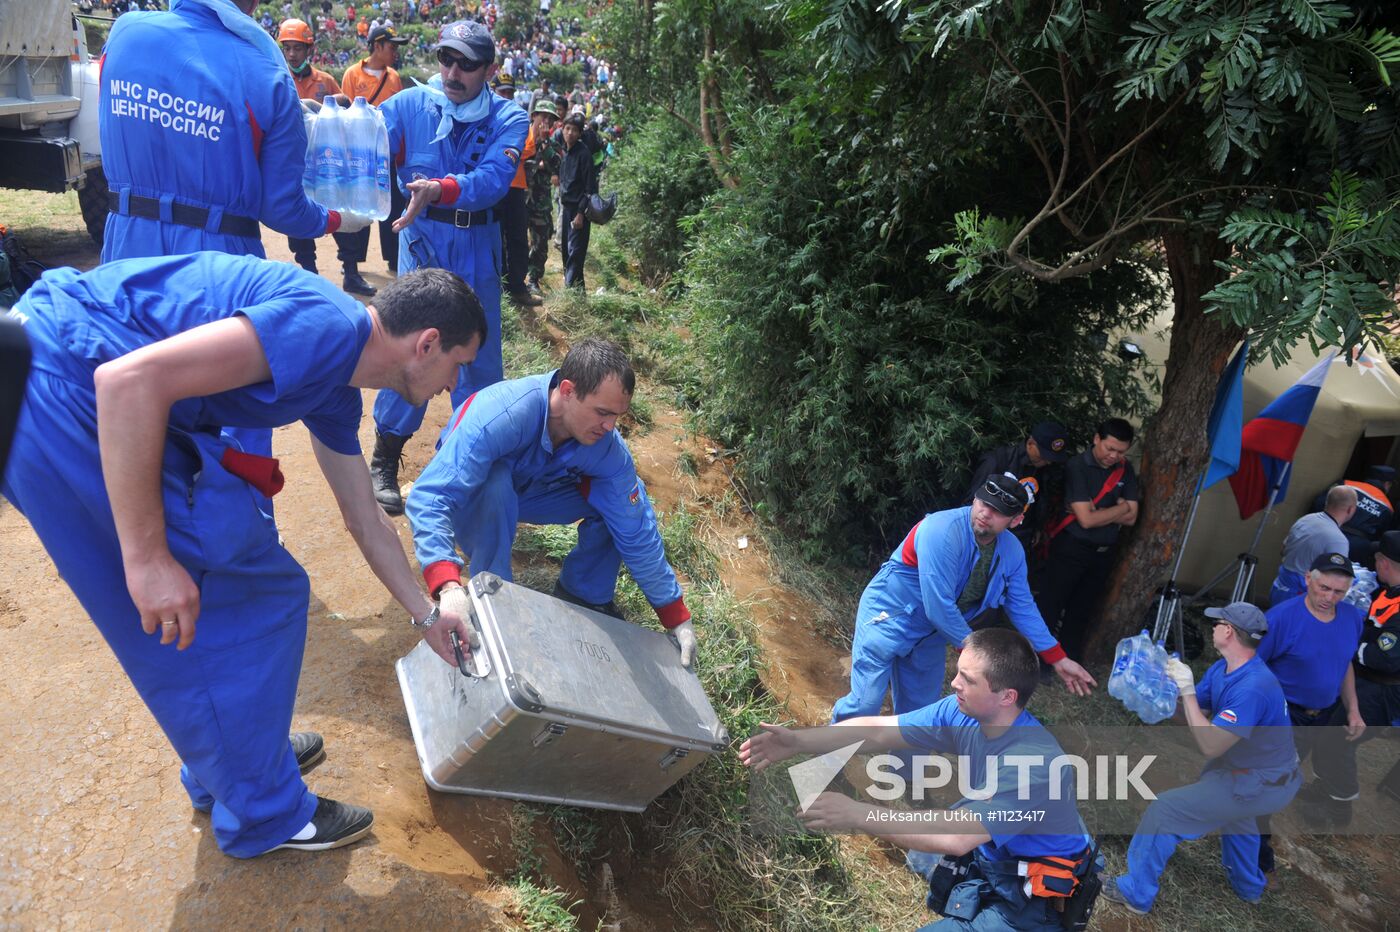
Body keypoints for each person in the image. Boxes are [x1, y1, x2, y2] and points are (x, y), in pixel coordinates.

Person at [1, 255, 484, 858]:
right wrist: (148, 558)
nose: (451, 387)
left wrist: (426, 616)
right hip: (62, 392)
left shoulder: (338, 382)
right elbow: (127, 382)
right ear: (427, 343)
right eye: (455, 367)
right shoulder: (326, 328)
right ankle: (263, 812)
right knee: (247, 599)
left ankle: (235, 765)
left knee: (254, 583)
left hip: (78, 379)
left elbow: (363, 515)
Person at [742, 629, 1098, 931]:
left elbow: (957, 837)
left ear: (1006, 697)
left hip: (1035, 890)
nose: (954, 683)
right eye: (959, 672)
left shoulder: (1033, 763)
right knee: (922, 853)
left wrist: (856, 814)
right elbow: (881, 732)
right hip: (999, 843)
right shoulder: (964, 711)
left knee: (945, 844)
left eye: (968, 680)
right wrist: (800, 740)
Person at [405, 338, 699, 665]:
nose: (610, 427)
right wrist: (447, 585)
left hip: (532, 490)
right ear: (568, 390)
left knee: (621, 502)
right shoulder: (501, 413)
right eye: (602, 413)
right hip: (476, 493)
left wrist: (675, 615)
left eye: (617, 416)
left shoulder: (605, 447)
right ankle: (492, 599)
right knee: (497, 482)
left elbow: (635, 528)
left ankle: (584, 596)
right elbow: (430, 497)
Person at [367, 19, 529, 516]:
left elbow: (494, 179)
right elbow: (367, 139)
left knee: (476, 363)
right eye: (446, 59)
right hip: (423, 246)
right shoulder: (408, 106)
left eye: (467, 64)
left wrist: (442, 188)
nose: (453, 72)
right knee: (413, 351)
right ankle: (385, 457)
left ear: (489, 69)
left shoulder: (509, 118)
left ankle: (462, 469)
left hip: (477, 247)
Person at [98, 0, 369, 263]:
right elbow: (282, 209)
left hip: (125, 249)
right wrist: (338, 219)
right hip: (219, 261)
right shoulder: (269, 77)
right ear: (253, 5)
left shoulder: (124, 34)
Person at [831, 474, 1097, 724]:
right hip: (889, 616)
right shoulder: (941, 530)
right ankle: (822, 764)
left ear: (1015, 520)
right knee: (865, 703)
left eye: (998, 512)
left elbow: (1022, 605)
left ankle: (905, 773)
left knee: (920, 714)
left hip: (931, 635)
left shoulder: (1012, 551)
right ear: (975, 499)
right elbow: (939, 605)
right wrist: (974, 650)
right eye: (983, 503)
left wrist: (1058, 657)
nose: (986, 513)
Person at [1101, 602, 1300, 914]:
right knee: (1239, 818)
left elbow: (1210, 744)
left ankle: (1135, 893)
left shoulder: (1253, 688)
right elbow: (1199, 716)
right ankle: (1250, 887)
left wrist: (1188, 690)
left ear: (1229, 631)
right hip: (1256, 774)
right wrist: (1156, 699)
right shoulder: (1225, 668)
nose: (1213, 626)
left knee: (1165, 811)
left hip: (1262, 781)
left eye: (1217, 622)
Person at [1253, 553, 1365, 861]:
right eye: (1324, 588)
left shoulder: (1352, 618)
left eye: (1338, 592)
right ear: (1307, 580)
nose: (1330, 597)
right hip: (1285, 714)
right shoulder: (1280, 618)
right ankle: (1259, 857)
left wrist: (1353, 708)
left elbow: (1344, 664)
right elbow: (1250, 668)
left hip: (1325, 715)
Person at [1309, 529, 1400, 820]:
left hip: (1383, 690)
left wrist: (1350, 644)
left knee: (1339, 740)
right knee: (1326, 733)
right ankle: (1325, 786)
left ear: (1385, 562)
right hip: (1365, 680)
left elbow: (1384, 658)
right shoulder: (1389, 591)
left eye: (1377, 557)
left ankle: (1340, 804)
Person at [1033, 417, 1139, 662]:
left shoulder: (1126, 470)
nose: (1114, 456)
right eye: (1109, 448)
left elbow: (1133, 517)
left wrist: (1102, 511)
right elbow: (1086, 520)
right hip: (1071, 548)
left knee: (1082, 609)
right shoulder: (1077, 466)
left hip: (1104, 551)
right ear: (1096, 439)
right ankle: (1040, 660)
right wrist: (1120, 508)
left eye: (1121, 452)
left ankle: (1069, 660)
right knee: (1051, 604)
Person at [336, 24, 412, 294]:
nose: (395, 52)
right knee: (358, 206)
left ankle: (393, 258)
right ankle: (353, 260)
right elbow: (344, 114)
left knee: (391, 204)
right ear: (377, 46)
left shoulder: (394, 78)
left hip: (386, 154)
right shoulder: (352, 74)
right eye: (392, 46)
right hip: (359, 154)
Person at [279, 18, 341, 276]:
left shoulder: (325, 82)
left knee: (339, 211)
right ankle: (309, 269)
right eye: (287, 48)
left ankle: (350, 271)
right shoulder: (278, 80)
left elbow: (344, 114)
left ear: (310, 50)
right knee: (299, 216)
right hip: (294, 164)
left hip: (326, 164)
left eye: (298, 48)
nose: (292, 54)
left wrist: (338, 102)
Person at [964, 420, 1071, 560]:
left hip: (1020, 540)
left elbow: (1041, 501)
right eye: (1044, 455)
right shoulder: (998, 460)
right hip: (988, 535)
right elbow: (972, 501)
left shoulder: (1045, 470)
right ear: (1031, 443)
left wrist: (1038, 527)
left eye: (1052, 458)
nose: (1048, 461)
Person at [1268, 485, 1357, 606]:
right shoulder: (1338, 540)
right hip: (1302, 599)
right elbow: (1337, 580)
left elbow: (1283, 550)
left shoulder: (1305, 520)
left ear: (1327, 502)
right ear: (1351, 509)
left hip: (1280, 587)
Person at [494, 73, 538, 308]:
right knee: (494, 236)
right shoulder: (489, 116)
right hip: (493, 185)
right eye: (503, 91)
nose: (507, 96)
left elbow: (529, 147)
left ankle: (518, 287)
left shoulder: (520, 118)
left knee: (518, 237)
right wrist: (511, 151)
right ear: (494, 91)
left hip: (515, 186)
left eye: (510, 92)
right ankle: (499, 286)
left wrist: (503, 152)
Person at [1311, 465, 1396, 568]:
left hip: (1327, 530)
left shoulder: (1345, 484)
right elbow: (1381, 535)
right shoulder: (1387, 506)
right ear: (1387, 484)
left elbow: (1319, 503)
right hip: (1357, 547)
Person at [556, 110, 597, 289]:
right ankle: (578, 293)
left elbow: (590, 189)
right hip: (566, 210)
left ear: (580, 133)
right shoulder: (566, 152)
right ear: (562, 130)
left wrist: (580, 213)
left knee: (575, 253)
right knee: (567, 251)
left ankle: (569, 294)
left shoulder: (584, 154)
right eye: (567, 128)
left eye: (574, 130)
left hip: (579, 212)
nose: (570, 133)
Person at [523, 98, 560, 296]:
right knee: (514, 241)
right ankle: (512, 278)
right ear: (533, 116)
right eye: (543, 116)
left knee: (540, 243)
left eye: (551, 119)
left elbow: (557, 166)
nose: (546, 122)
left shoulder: (551, 144)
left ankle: (533, 278)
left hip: (541, 201)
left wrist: (545, 144)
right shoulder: (520, 137)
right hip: (519, 199)